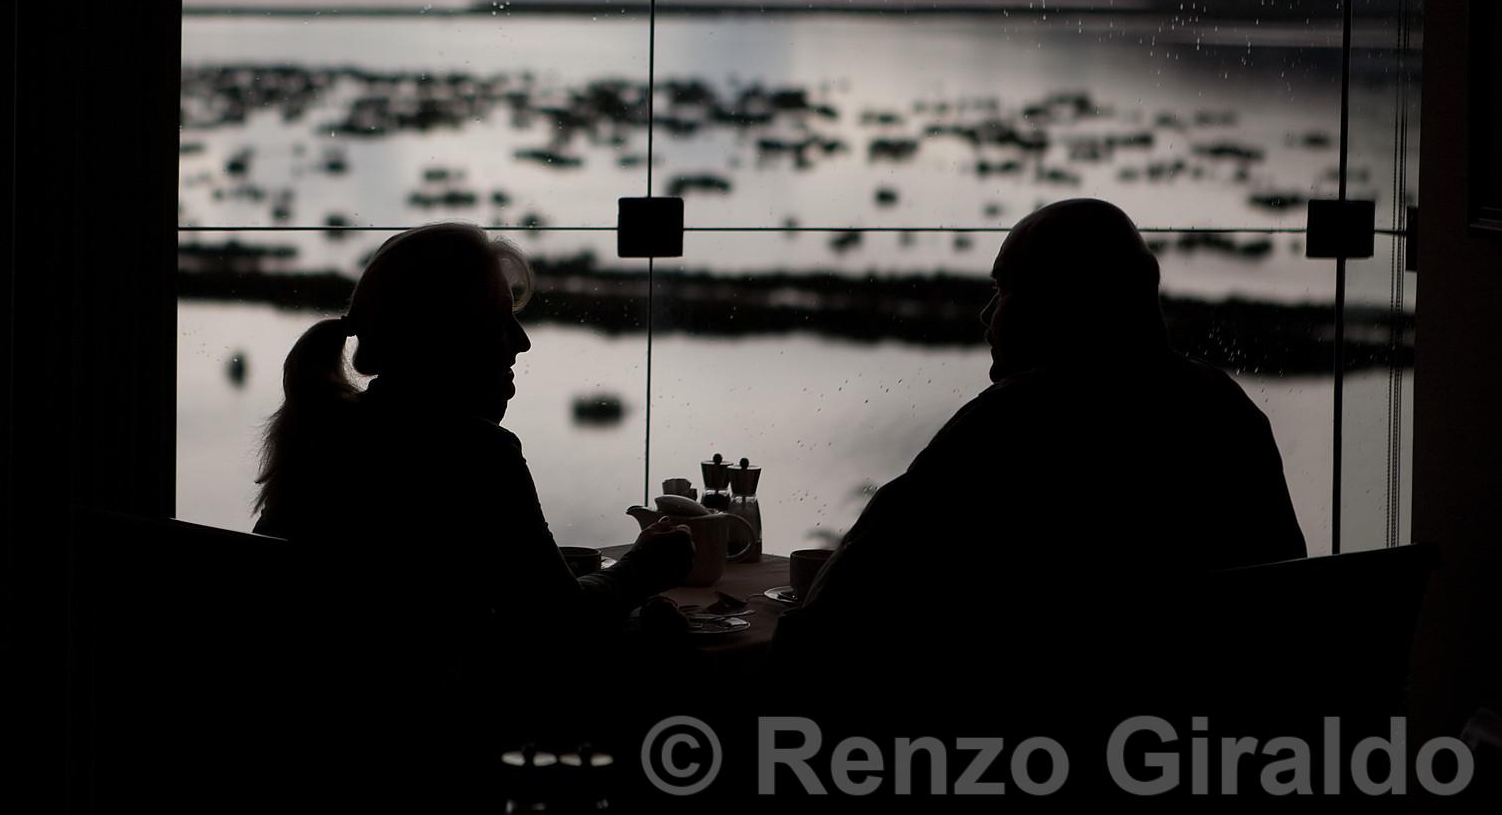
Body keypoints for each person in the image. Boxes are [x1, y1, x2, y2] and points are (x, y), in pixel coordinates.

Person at [773, 198, 1306, 740]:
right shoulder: (1227, 411)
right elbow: (1284, 600)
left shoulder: (1012, 422)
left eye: (1004, 290)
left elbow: (833, 619)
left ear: (1063, 301)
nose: (987, 315)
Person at [251, 223, 693, 790]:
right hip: (445, 761)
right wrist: (643, 567)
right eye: (500, 321)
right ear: (447, 336)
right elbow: (562, 626)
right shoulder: (477, 454)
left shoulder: (325, 437)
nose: (522, 342)